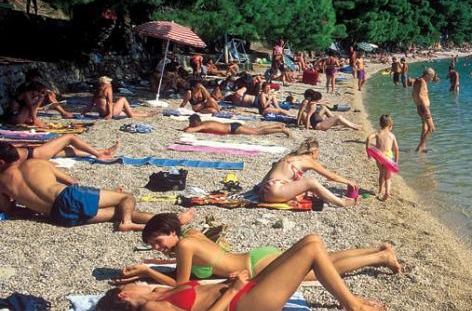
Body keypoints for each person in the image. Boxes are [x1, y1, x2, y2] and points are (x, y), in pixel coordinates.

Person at [95, 234, 386, 311]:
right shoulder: (153, 310)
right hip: (245, 306)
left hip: (244, 288)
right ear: (123, 296)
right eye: (129, 286)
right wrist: (231, 292)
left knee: (312, 241)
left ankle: (352, 298)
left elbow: (194, 288)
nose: (137, 285)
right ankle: (352, 306)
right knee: (311, 250)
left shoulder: (159, 294)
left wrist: (230, 282)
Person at [115, 212, 401, 286]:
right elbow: (189, 268)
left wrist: (147, 272)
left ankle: (379, 257)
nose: (157, 247)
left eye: (158, 241)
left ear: (171, 232)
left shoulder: (185, 246)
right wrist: (147, 268)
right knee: (324, 260)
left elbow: (181, 284)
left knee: (319, 272)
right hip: (256, 257)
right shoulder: (191, 235)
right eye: (153, 245)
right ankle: (377, 250)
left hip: (256, 267)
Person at [0, 150, 154, 231]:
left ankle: (162, 220)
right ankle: (127, 222)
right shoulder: (36, 163)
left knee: (117, 212)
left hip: (57, 216)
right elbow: (73, 182)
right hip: (69, 196)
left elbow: (8, 209)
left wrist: (29, 204)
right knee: (126, 198)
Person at [259, 138, 359, 207]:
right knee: (311, 182)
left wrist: (260, 191)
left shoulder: (289, 157)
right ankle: (341, 203)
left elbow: (270, 173)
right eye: (318, 153)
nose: (318, 156)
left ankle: (290, 198)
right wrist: (348, 182)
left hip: (265, 192)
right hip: (276, 192)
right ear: (313, 152)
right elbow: (331, 177)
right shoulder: (308, 159)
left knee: (305, 189)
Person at [0, 137, 118, 163]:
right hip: (35, 154)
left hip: (29, 153)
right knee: (69, 138)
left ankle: (102, 151)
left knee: (65, 151)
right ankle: (98, 154)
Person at [366, 114, 399, 200]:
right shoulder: (392, 135)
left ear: (380, 124)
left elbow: (368, 138)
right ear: (390, 125)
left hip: (379, 156)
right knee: (388, 177)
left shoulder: (377, 133)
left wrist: (368, 151)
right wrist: (396, 161)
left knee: (381, 173)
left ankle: (380, 190)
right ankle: (387, 192)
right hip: (388, 158)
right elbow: (396, 149)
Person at [182, 115, 291, 138]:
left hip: (233, 129)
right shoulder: (205, 122)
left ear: (196, 121)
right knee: (257, 129)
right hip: (233, 126)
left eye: (191, 122)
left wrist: (186, 129)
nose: (190, 124)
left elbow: (190, 130)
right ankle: (277, 125)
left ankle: (281, 130)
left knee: (257, 132)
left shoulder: (203, 125)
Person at [412, 68, 437, 153]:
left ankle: (422, 147)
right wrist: (426, 109)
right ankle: (420, 148)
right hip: (424, 107)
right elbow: (420, 96)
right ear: (427, 75)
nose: (432, 79)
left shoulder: (418, 81)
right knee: (431, 128)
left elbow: (414, 95)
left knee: (425, 128)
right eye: (432, 76)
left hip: (420, 107)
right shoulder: (422, 82)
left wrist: (417, 106)